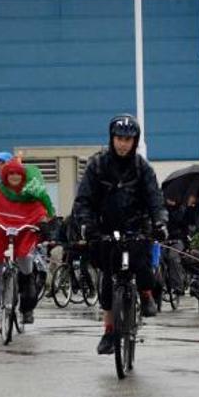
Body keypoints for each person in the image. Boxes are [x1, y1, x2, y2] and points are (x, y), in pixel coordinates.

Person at [72, 114, 168, 355]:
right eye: (119, 138)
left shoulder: (142, 167)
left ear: (135, 141)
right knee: (107, 279)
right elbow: (83, 200)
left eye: (128, 139)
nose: (123, 143)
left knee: (143, 267)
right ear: (112, 138)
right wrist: (86, 224)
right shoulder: (97, 165)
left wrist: (160, 222)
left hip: (136, 227)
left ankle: (146, 295)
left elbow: (155, 199)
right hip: (105, 229)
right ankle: (108, 331)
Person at [0, 158, 54, 328]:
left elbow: (39, 210)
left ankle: (27, 308)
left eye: (17, 173)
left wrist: (42, 223)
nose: (14, 176)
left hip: (23, 234)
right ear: (5, 175)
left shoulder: (29, 192)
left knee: (26, 268)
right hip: (0, 234)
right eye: (10, 173)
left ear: (22, 175)